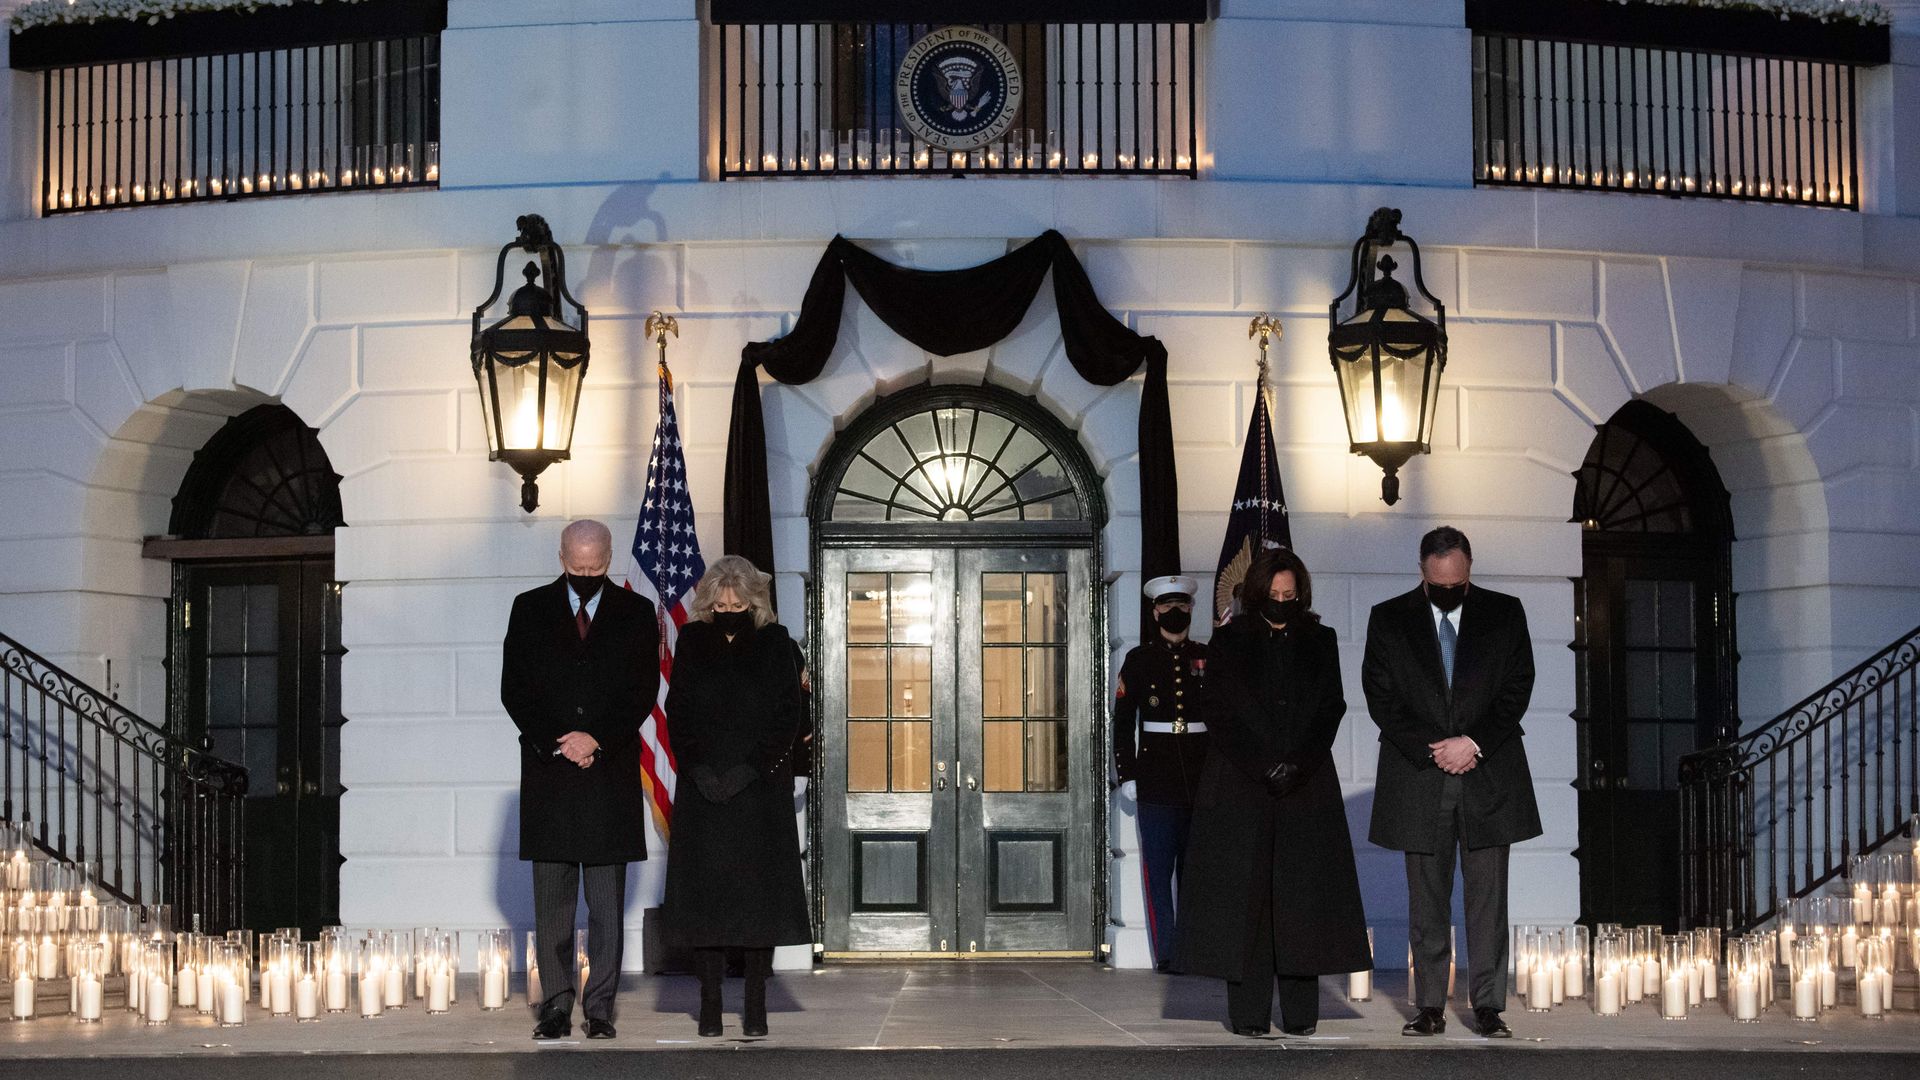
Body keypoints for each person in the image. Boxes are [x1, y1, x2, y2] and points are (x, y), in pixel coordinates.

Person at [1177, 548, 1369, 1037]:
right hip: (1243, 785)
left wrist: (1297, 765)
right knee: (1249, 901)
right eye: (1274, 595)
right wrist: (1263, 765)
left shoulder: (1319, 639)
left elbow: (1332, 706)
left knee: (1301, 900)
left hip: (1305, 788)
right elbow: (1217, 711)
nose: (1282, 602)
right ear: (1258, 593)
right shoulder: (1230, 641)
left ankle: (1302, 1015)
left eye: (1290, 595)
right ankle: (1249, 1014)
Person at [1363, 526, 1539, 1039]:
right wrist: (1435, 748)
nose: (1448, 590)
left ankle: (1487, 1006)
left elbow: (1517, 686)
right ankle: (1431, 1006)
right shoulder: (1389, 618)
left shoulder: (1505, 613)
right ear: (1422, 572)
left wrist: (1473, 742)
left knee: (1488, 897)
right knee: (1427, 898)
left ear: (1469, 572)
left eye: (1457, 583)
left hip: (1488, 772)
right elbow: (1381, 698)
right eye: (1438, 583)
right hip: (1420, 776)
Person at [501, 519, 659, 1041]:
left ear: (609, 559)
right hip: (550, 776)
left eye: (595, 568)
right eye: (576, 567)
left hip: (608, 777)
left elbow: (642, 691)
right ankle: (555, 1006)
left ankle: (601, 1010)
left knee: (607, 906)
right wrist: (561, 739)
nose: (586, 575)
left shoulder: (637, 613)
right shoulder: (529, 608)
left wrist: (597, 740)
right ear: (560, 556)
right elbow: (514, 690)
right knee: (552, 906)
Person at [661, 555, 810, 1038]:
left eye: (738, 600)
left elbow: (787, 716)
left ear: (754, 601)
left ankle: (755, 1008)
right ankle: (707, 1007)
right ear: (709, 602)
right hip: (703, 792)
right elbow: (677, 710)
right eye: (721, 601)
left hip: (758, 792)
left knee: (755, 904)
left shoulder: (774, 644)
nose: (729, 608)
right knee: (707, 906)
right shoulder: (692, 641)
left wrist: (749, 771)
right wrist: (699, 770)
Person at [1111, 574, 1213, 971]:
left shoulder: (1207, 656)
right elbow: (1122, 722)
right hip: (1155, 779)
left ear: (1191, 609)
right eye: (1166, 606)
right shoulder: (1139, 660)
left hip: (1202, 776)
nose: (1174, 612)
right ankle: (1168, 952)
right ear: (1155, 612)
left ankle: (1195, 948)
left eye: (1181, 606)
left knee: (1197, 873)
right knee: (1158, 874)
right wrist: (1129, 774)